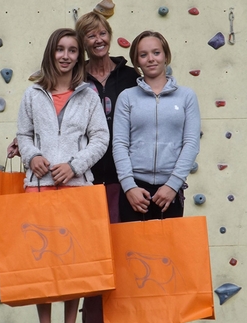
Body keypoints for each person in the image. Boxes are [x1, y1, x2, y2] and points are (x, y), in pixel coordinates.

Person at [16, 27, 109, 323]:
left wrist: (74, 166)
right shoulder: (32, 94)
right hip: (38, 187)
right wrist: (33, 156)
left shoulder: (89, 96)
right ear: (50, 53)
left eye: (72, 50)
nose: (65, 56)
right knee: (39, 260)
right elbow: (23, 134)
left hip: (76, 188)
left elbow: (100, 139)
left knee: (73, 261)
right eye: (60, 49)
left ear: (78, 56)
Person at [74, 12, 139, 323]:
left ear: (109, 35)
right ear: (83, 42)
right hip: (84, 181)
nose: (98, 40)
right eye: (90, 35)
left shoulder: (129, 76)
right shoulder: (74, 76)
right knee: (89, 257)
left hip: (124, 180)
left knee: (124, 255)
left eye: (102, 33)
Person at [112, 30, 201, 222]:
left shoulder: (187, 97)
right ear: (136, 61)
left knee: (168, 251)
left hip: (170, 192)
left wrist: (173, 185)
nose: (151, 59)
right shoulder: (127, 97)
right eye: (143, 55)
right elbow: (119, 143)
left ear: (166, 56)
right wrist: (129, 186)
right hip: (134, 191)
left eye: (156, 52)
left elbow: (191, 143)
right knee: (133, 251)